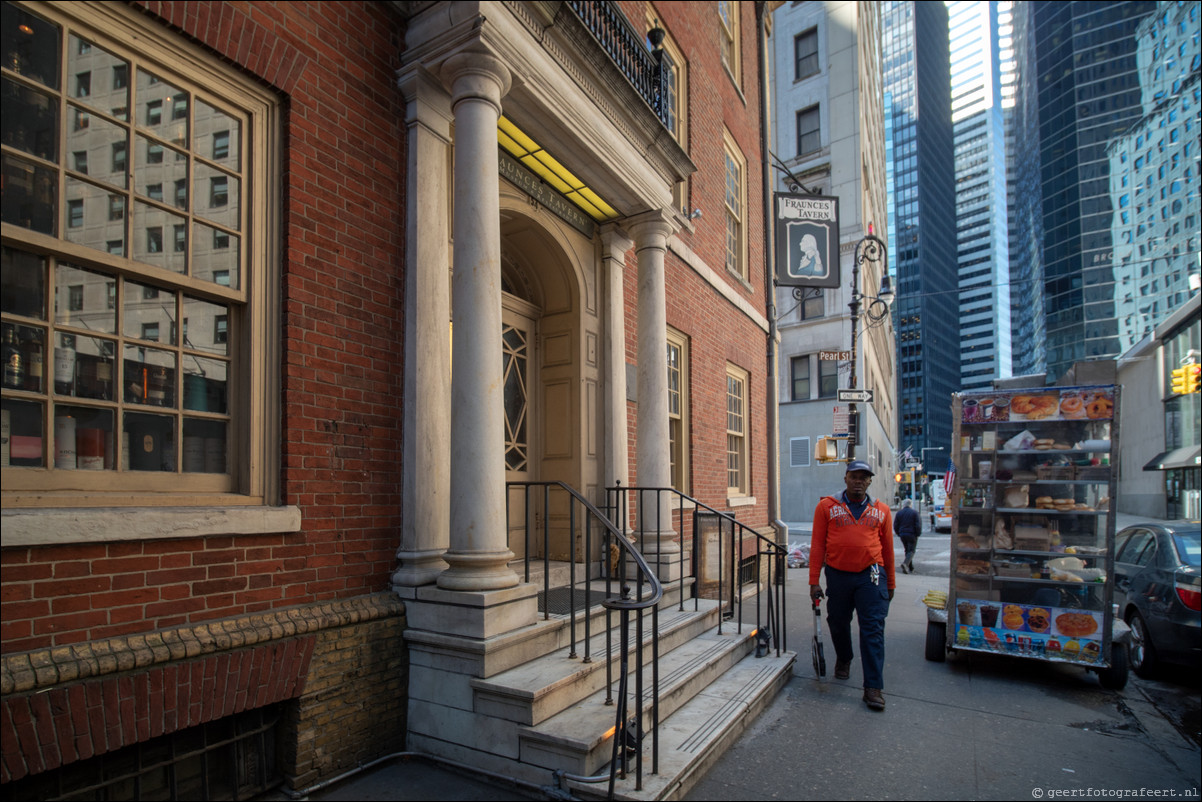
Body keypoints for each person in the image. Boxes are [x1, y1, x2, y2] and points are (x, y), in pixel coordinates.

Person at [809, 460, 895, 711]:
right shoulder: (826, 507)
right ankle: (844, 658)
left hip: (871, 575)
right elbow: (817, 546)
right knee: (837, 621)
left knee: (873, 630)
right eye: (854, 476)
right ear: (845, 478)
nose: (859, 481)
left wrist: (890, 582)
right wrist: (814, 581)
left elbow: (888, 550)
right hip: (838, 575)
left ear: (870, 482)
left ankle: (873, 687)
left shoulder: (882, 511)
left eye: (864, 477)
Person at [893, 498, 921, 574]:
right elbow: (918, 525)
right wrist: (918, 533)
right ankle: (905, 564)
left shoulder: (899, 513)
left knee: (907, 550)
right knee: (911, 551)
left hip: (902, 534)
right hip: (912, 534)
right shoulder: (914, 513)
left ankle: (910, 568)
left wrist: (898, 533)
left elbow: (895, 525)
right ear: (910, 505)